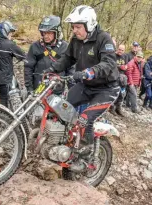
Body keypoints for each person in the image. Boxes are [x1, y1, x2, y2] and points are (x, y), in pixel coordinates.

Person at [45, 5, 120, 171]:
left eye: (78, 27)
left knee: (85, 118)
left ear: (90, 24)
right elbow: (68, 58)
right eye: (73, 27)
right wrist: (53, 69)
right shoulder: (76, 41)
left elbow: (108, 63)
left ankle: (85, 158)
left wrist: (89, 72)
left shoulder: (103, 38)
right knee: (60, 107)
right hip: (86, 85)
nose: (75, 31)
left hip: (106, 89)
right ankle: (64, 145)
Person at [24, 15, 68, 93]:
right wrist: (29, 88)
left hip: (57, 89)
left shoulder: (65, 47)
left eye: (49, 33)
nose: (46, 36)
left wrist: (72, 90)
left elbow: (71, 69)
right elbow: (28, 68)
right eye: (44, 33)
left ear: (57, 33)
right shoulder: (35, 46)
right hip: (39, 88)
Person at [109, 44, 128, 116]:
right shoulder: (113, 55)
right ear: (117, 49)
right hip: (114, 77)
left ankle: (118, 108)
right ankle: (112, 107)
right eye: (119, 49)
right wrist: (120, 66)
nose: (120, 51)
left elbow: (126, 65)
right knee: (115, 92)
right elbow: (110, 65)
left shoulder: (125, 56)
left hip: (122, 78)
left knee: (122, 93)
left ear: (124, 51)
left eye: (122, 50)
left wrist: (125, 67)